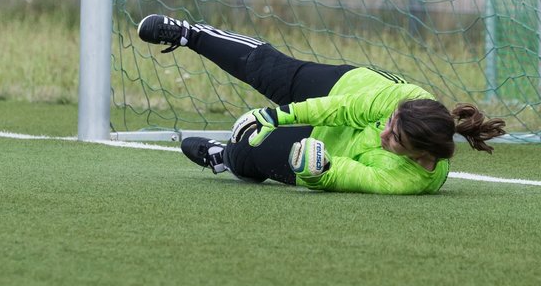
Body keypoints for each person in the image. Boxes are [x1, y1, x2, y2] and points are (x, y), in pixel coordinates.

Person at [137, 14, 506, 195]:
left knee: (252, 153)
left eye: (394, 139)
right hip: (346, 90)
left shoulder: (405, 181)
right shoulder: (401, 100)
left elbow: (347, 175)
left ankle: (223, 157)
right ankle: (190, 33)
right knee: (273, 74)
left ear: (416, 154)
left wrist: (318, 166)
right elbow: (341, 109)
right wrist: (274, 115)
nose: (384, 132)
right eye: (390, 123)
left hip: (331, 145)